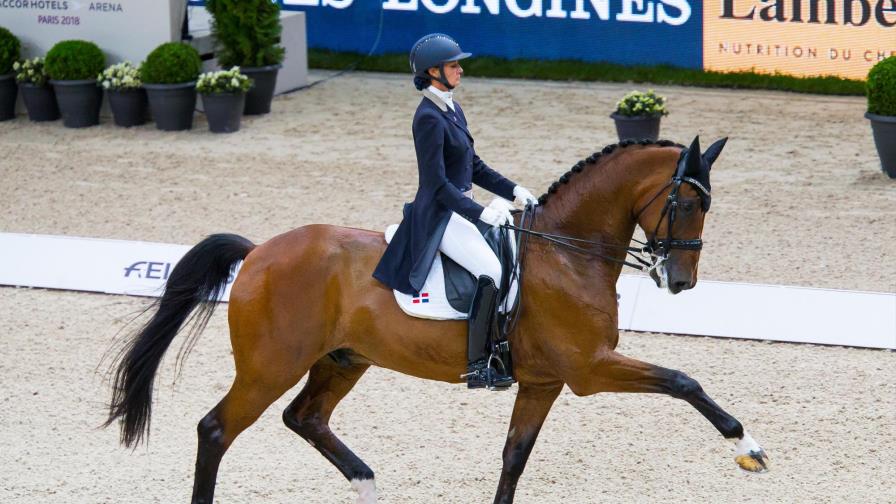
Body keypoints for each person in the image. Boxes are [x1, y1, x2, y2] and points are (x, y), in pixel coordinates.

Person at [372, 33, 539, 390]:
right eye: (453, 65)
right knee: (491, 271)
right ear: (433, 72)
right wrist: (479, 212)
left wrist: (513, 190)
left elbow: (473, 166)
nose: (460, 70)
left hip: (459, 208)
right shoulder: (428, 117)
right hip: (440, 215)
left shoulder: (452, 108)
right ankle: (479, 362)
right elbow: (436, 185)